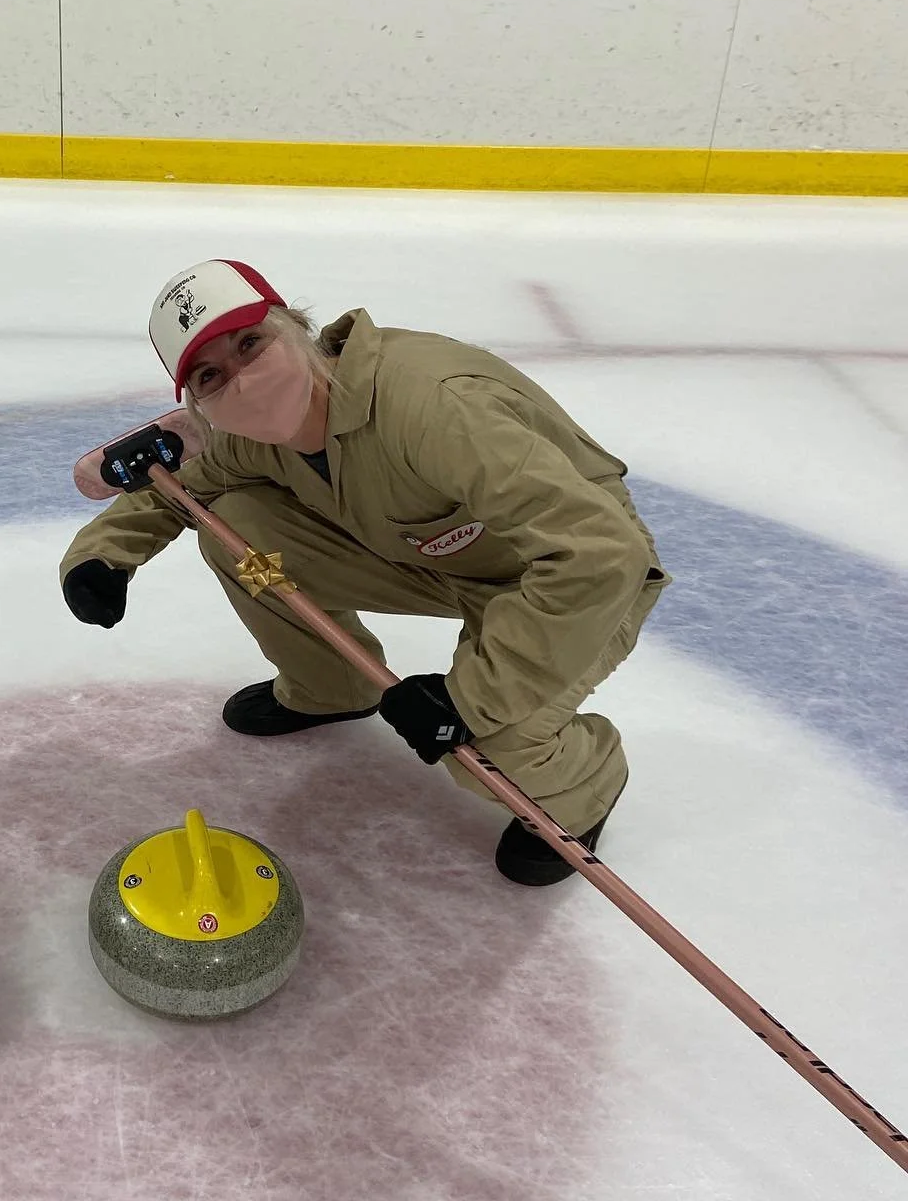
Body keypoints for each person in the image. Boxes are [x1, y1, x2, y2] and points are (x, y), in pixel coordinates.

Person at [60, 260, 669, 886]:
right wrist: (103, 555)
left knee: (485, 743)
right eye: (212, 374)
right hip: (428, 555)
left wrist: (469, 700)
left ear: (297, 326)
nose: (244, 378)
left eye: (251, 343)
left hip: (573, 576)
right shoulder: (251, 434)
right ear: (198, 403)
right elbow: (180, 487)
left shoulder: (434, 407)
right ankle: (332, 688)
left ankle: (586, 785)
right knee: (236, 527)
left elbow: (597, 553)